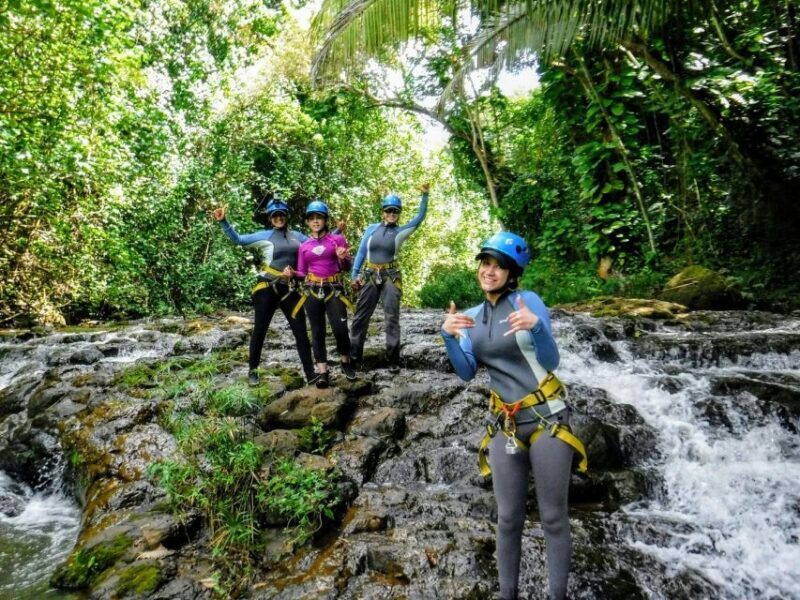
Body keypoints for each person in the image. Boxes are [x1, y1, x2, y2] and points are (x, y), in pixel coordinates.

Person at [440, 232, 587, 600]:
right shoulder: (471, 318)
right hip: (504, 425)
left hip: (547, 419)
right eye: (485, 263)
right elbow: (466, 372)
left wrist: (536, 327)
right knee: (507, 519)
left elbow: (551, 362)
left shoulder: (528, 302)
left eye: (498, 265)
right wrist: (448, 337)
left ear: (513, 272)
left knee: (552, 517)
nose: (489, 271)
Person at [212, 196, 316, 386]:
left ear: (286, 215)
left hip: (289, 288)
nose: (278, 218)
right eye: (274, 216)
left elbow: (318, 246)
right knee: (260, 330)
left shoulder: (299, 237)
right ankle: (253, 371)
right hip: (266, 288)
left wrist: (337, 234)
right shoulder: (264, 236)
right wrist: (223, 222)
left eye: (281, 215)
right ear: (270, 218)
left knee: (301, 331)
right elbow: (238, 240)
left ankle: (310, 373)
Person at [349, 183, 430, 373]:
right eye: (389, 210)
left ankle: (393, 359)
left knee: (391, 318)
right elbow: (362, 252)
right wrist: (354, 274)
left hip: (390, 277)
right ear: (383, 212)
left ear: (399, 213)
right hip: (369, 275)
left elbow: (419, 219)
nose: (392, 214)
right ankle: (354, 358)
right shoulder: (371, 229)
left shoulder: (400, 232)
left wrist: (425, 196)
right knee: (361, 316)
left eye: (395, 211)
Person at [293, 199, 355, 388]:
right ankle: (323, 372)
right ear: (307, 222)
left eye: (319, 217)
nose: (315, 221)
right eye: (311, 218)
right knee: (317, 332)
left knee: (340, 330)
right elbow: (302, 272)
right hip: (312, 290)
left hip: (333, 289)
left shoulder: (338, 240)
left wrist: (343, 258)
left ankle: (345, 361)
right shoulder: (304, 246)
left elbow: (346, 267)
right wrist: (292, 274)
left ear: (325, 220)